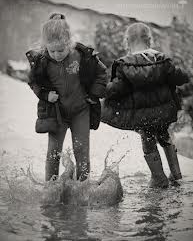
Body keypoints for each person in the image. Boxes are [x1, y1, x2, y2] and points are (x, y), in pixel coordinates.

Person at [102, 22, 189, 188]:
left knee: (148, 142)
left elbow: (118, 88)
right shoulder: (162, 60)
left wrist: (103, 90)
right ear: (149, 40)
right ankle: (176, 174)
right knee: (164, 136)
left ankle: (159, 178)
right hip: (163, 113)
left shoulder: (125, 65)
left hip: (142, 116)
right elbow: (180, 78)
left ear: (127, 41)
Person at [26, 13, 107, 181]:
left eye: (61, 50)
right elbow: (33, 82)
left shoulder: (82, 56)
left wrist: (94, 94)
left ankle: (83, 186)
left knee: (81, 150)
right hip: (57, 114)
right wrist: (45, 95)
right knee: (53, 152)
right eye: (52, 50)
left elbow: (102, 73)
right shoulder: (42, 61)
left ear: (69, 42)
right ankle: (51, 187)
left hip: (81, 111)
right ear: (45, 46)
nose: (56, 54)